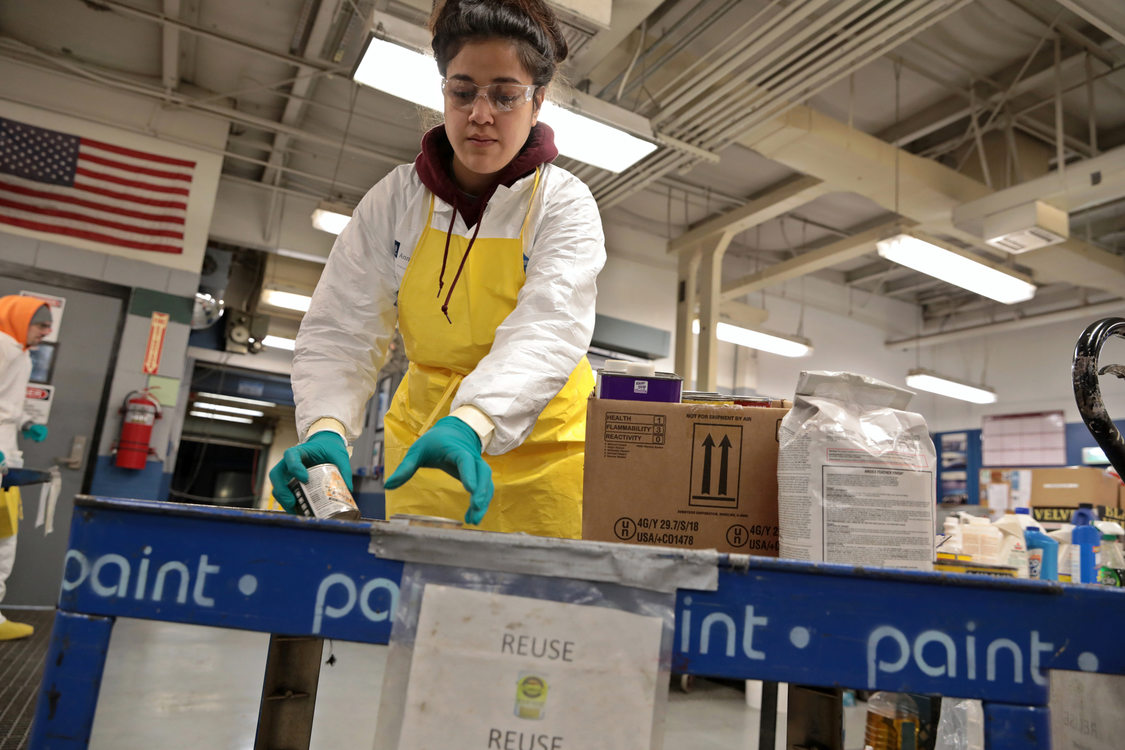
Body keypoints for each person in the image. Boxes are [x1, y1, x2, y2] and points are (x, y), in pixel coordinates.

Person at [270, 0, 604, 538]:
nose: (480, 113)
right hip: (427, 453)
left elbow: (550, 327)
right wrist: (326, 427)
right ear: (444, 91)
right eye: (463, 90)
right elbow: (342, 326)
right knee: (427, 613)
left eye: (505, 95)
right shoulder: (395, 199)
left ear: (537, 101)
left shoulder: (562, 202)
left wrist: (473, 422)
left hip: (548, 456)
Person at [0, 296, 52, 640]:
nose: (46, 332)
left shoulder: (20, 353)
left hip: (6, 455)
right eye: (40, 324)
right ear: (19, 319)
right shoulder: (2, 346)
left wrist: (24, 423)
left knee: (4, 536)